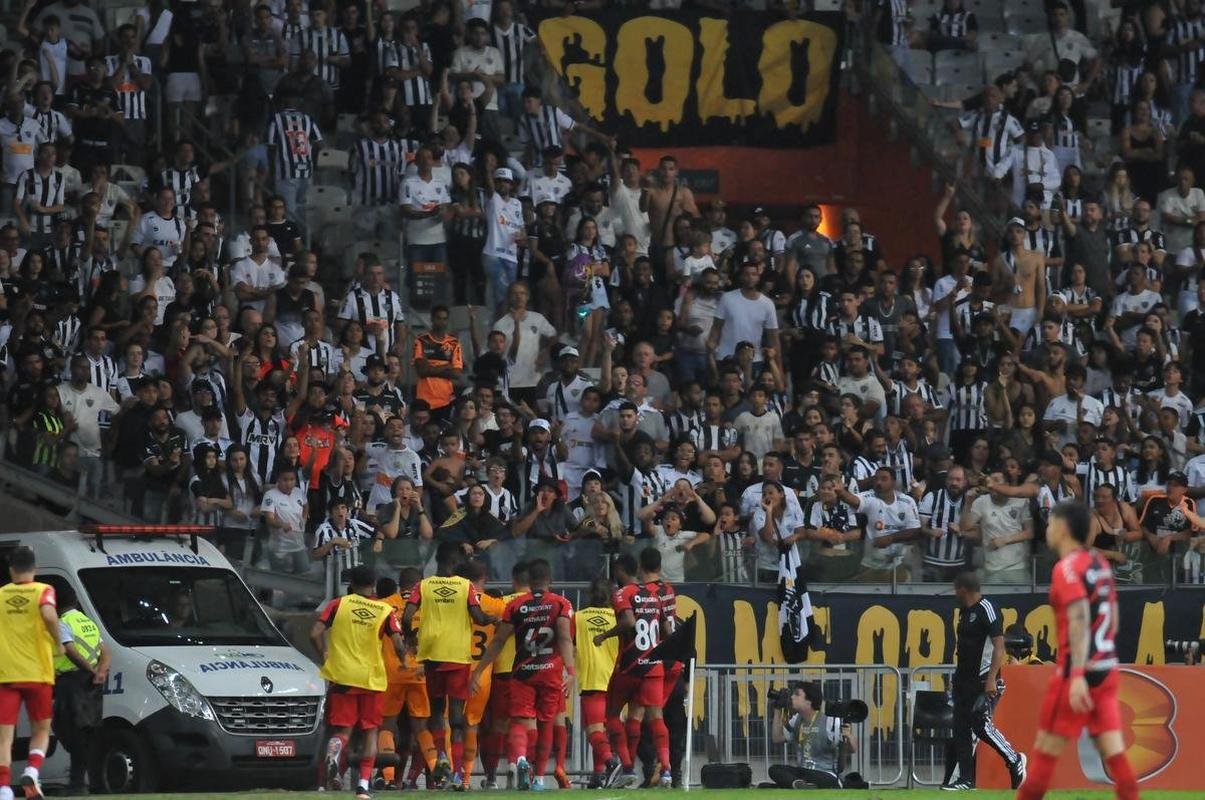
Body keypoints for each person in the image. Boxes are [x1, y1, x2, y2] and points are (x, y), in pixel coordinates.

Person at [1015, 502, 1139, 800]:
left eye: (1050, 523)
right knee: (1114, 754)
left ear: (1062, 528)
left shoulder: (1067, 568)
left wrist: (1079, 674)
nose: (1047, 529)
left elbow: (1080, 617)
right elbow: (1113, 618)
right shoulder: (1099, 564)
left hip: (1077, 672)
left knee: (1044, 755)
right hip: (1106, 669)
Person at [471, 558, 574, 791]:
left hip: (522, 672)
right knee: (545, 723)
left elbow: (498, 641)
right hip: (550, 671)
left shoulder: (515, 605)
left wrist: (478, 670)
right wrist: (570, 671)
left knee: (518, 721)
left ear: (528, 580)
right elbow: (565, 638)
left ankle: (519, 759)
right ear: (550, 580)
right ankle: (539, 779)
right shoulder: (561, 603)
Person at [401, 541, 493, 788]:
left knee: (436, 711)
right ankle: (458, 773)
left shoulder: (423, 585)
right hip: (457, 656)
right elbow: (478, 617)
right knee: (456, 717)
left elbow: (407, 616)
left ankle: (442, 754)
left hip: (432, 656)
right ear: (454, 561)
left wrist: (410, 638)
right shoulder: (465, 586)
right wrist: (494, 619)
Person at [310, 564, 407, 798]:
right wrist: (404, 660)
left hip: (342, 676)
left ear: (351, 584)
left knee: (343, 730)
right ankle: (363, 786)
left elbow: (314, 633)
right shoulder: (384, 610)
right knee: (371, 731)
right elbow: (398, 643)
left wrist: (323, 654)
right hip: (371, 678)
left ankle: (335, 751)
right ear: (373, 585)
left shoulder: (337, 605)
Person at [595, 547, 673, 788]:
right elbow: (668, 631)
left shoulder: (622, 593)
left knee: (611, 714)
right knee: (655, 717)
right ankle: (666, 770)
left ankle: (627, 767)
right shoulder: (654, 596)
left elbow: (628, 621)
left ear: (620, 571)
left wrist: (604, 636)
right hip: (653, 666)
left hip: (630, 665)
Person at [942, 572, 1025, 791]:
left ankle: (1014, 759)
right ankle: (966, 779)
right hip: (963, 679)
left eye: (956, 589)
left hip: (981, 677)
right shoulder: (964, 612)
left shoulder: (988, 609)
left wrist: (991, 679)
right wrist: (956, 678)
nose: (955, 594)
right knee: (960, 728)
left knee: (980, 725)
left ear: (963, 589)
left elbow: (999, 646)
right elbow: (964, 649)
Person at [0, 546, 61, 800]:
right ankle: (32, 771)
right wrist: (58, 642)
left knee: (4, 738)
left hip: (6, 674)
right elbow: (49, 614)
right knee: (41, 730)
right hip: (38, 673)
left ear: (11, 570)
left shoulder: (1, 594)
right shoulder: (43, 590)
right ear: (35, 568)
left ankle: (4, 789)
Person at [51, 584, 111, 796]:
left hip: (71, 682)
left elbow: (70, 650)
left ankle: (78, 783)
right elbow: (106, 651)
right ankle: (83, 782)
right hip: (91, 683)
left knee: (69, 730)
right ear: (75, 601)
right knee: (87, 731)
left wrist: (91, 669)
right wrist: (100, 672)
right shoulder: (88, 622)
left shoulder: (62, 623)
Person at [575, 577, 621, 788]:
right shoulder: (619, 618)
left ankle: (611, 762)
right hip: (614, 681)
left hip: (592, 680)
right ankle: (598, 774)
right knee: (600, 731)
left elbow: (568, 643)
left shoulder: (578, 617)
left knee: (594, 730)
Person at [767, 681, 851, 789]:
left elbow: (851, 748)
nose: (792, 697)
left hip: (825, 773)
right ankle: (800, 785)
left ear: (809, 701)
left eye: (797, 694)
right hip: (804, 771)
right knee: (774, 769)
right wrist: (778, 709)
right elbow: (777, 738)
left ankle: (797, 784)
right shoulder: (796, 719)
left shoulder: (830, 721)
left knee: (824, 779)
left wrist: (848, 737)